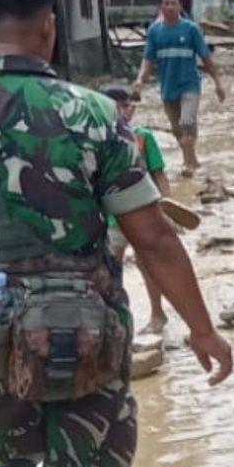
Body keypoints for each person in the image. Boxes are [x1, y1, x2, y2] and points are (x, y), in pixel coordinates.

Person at [0, 0, 233, 467]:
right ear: (48, 29)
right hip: (83, 338)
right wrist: (203, 330)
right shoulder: (96, 116)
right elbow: (154, 237)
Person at [101, 85, 173, 335]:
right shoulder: (99, 137)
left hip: (143, 210)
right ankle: (116, 317)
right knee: (112, 267)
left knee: (147, 263)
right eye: (124, 105)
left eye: (131, 105)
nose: (129, 110)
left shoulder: (143, 136)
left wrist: (167, 206)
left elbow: (159, 174)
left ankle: (157, 313)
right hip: (111, 216)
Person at [133, 0, 226, 177]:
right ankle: (192, 158)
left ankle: (187, 164)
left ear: (180, 6)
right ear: (160, 7)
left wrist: (217, 82)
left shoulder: (191, 29)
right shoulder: (154, 31)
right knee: (177, 130)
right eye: (165, 3)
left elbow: (205, 57)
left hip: (189, 84)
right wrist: (140, 80)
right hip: (168, 86)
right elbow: (148, 60)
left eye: (173, 3)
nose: (169, 7)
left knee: (187, 122)